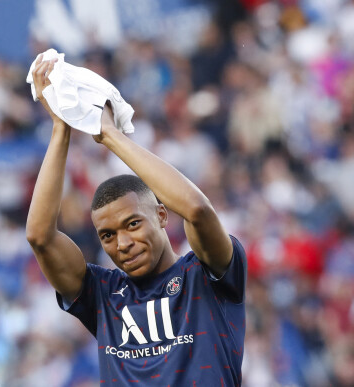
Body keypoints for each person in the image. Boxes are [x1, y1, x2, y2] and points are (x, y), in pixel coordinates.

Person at [26, 56, 247, 386]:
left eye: (132, 224)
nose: (123, 244)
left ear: (161, 215)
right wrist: (61, 129)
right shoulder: (103, 294)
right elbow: (40, 237)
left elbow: (196, 209)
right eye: (107, 235)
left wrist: (109, 134)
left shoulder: (207, 275)